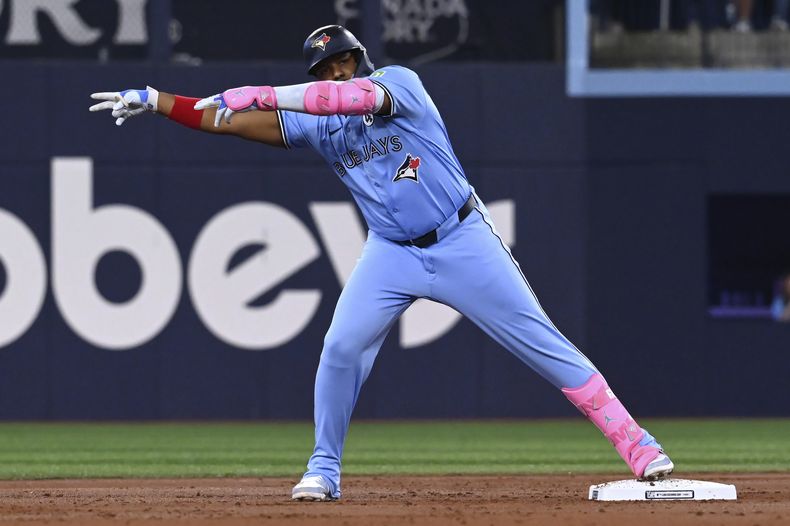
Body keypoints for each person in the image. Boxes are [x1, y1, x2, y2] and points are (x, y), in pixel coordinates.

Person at [89, 25, 675, 501]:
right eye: (325, 68)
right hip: (390, 252)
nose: (336, 73)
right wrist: (158, 101)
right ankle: (324, 469)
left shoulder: (399, 83)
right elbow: (230, 118)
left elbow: (350, 98)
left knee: (541, 341)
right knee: (341, 348)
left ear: (359, 58)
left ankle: (638, 445)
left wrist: (266, 91)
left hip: (461, 237)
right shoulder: (318, 125)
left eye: (342, 60)